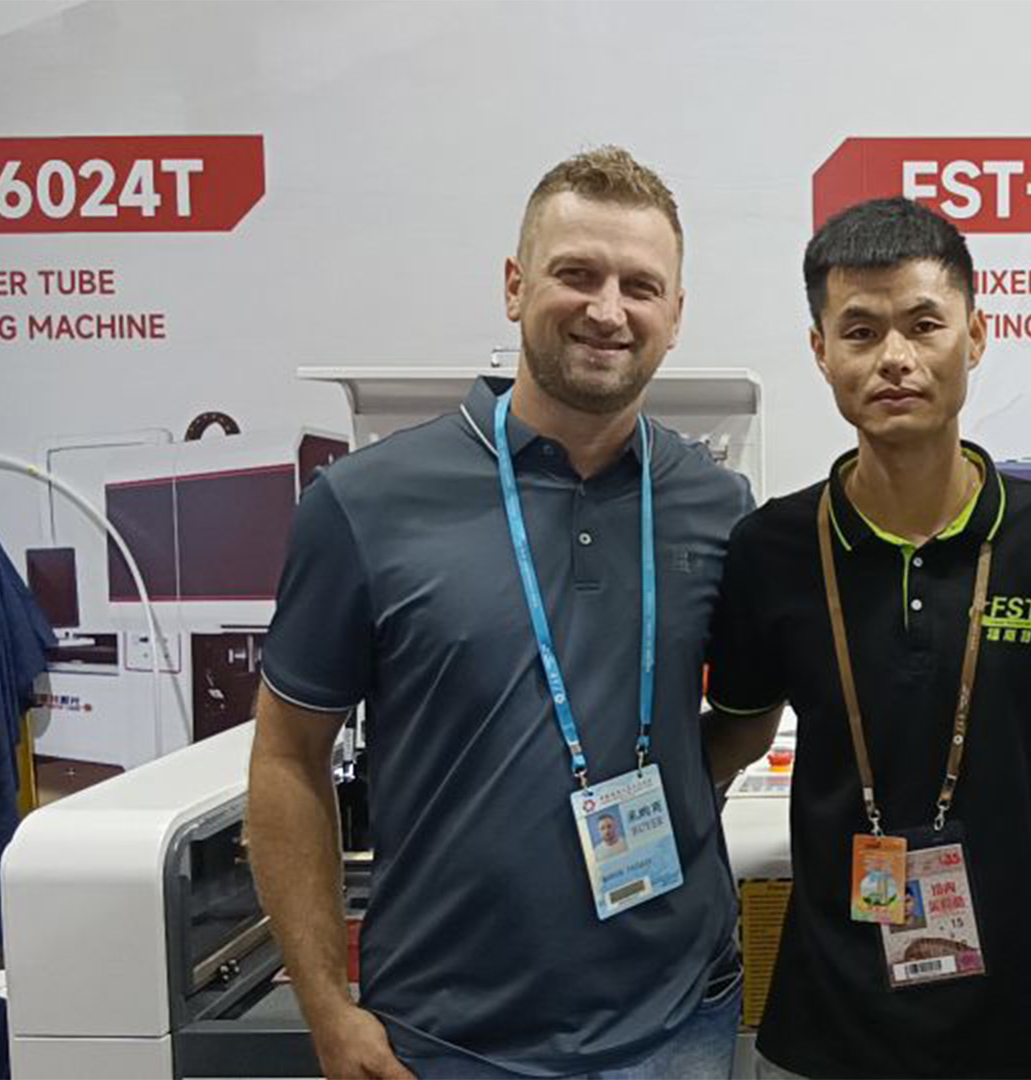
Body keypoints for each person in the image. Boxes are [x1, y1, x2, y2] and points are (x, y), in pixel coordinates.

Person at [247, 147, 751, 1079]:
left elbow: (743, 716)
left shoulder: (717, 504)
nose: (608, 310)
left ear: (676, 315)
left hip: (681, 1023)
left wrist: (672, 778)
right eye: (576, 274)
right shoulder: (365, 503)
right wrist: (325, 1006)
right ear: (515, 287)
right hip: (446, 1039)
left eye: (640, 286)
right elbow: (286, 757)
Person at [704, 197, 1031, 1078]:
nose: (895, 358)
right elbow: (737, 738)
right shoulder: (771, 547)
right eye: (860, 332)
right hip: (827, 1024)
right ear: (820, 352)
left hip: (1015, 1018)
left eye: (923, 324)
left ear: (975, 338)